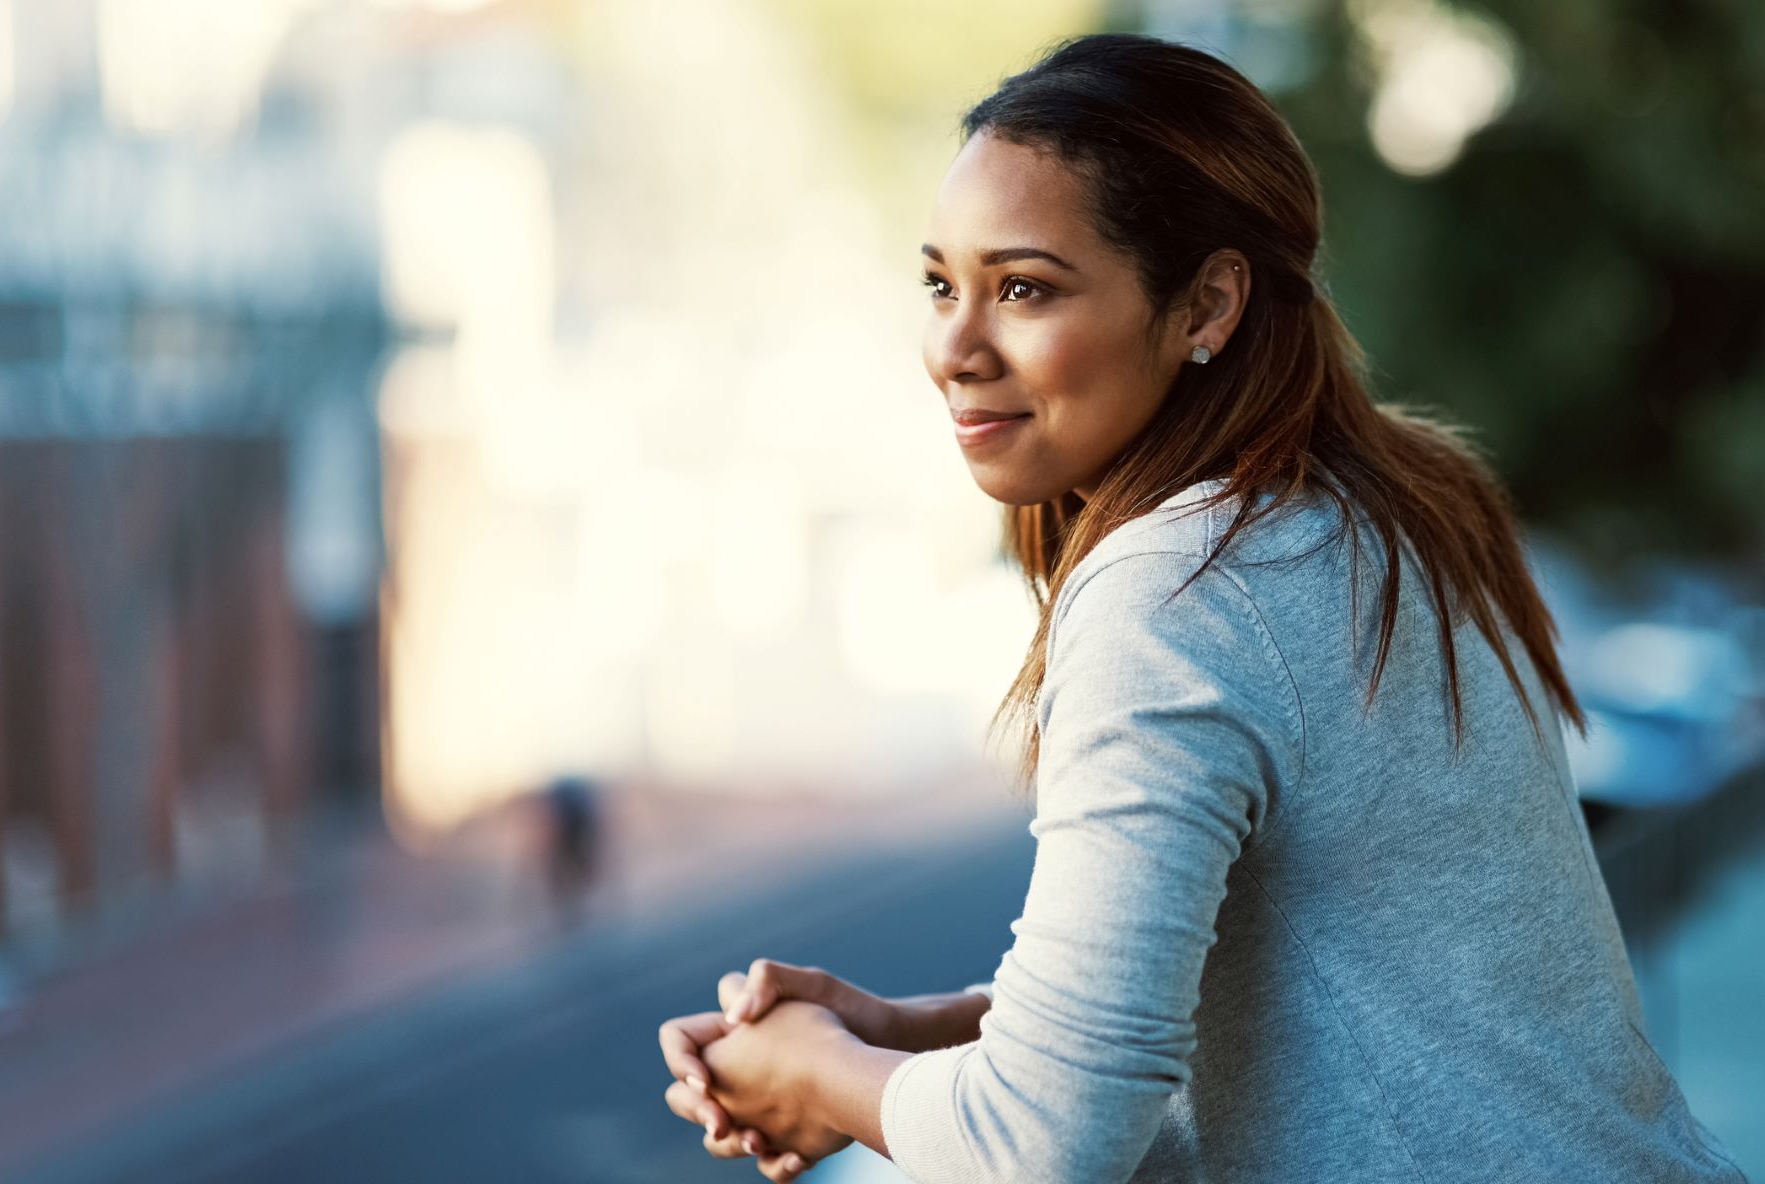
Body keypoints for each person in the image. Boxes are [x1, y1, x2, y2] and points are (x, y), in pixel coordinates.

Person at [655, 32, 1750, 1184]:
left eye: (1023, 287)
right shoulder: (1383, 511)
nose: (955, 349)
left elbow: (1039, 1145)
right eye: (942, 283)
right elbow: (1326, 992)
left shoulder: (1177, 593)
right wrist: (922, 1033)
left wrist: (817, 1073)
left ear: (1206, 304)